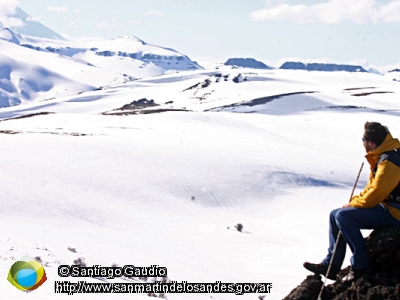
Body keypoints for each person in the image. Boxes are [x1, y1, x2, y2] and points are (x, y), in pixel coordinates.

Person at [304, 122, 400, 281]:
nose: (362, 143)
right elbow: (372, 188)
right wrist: (355, 201)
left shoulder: (389, 161)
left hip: (395, 213)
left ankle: (361, 265)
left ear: (371, 142)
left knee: (344, 216)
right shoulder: (381, 156)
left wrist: (353, 205)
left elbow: (376, 194)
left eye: (363, 139)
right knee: (335, 214)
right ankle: (331, 265)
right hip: (388, 208)